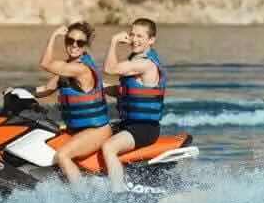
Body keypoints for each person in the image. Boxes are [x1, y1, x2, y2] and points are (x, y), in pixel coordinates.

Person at [37, 21, 112, 185]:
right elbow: (47, 89)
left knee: (62, 155)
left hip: (96, 130)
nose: (74, 45)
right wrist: (19, 92)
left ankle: (81, 198)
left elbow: (45, 63)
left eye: (80, 42)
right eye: (70, 40)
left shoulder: (80, 69)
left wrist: (53, 36)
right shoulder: (68, 67)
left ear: (86, 46)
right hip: (78, 129)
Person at [101, 18, 167, 192]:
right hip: (129, 124)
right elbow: (122, 90)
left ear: (151, 40)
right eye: (132, 35)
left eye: (140, 36)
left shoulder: (145, 64)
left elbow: (110, 69)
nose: (134, 39)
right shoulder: (135, 61)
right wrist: (95, 87)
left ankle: (118, 193)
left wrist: (113, 42)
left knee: (109, 147)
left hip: (144, 128)